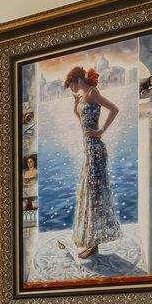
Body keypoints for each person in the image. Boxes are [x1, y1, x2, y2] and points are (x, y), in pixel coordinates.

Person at [57, 65, 120, 260]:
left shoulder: (92, 93)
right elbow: (82, 121)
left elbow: (114, 109)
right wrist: (74, 106)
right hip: (89, 151)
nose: (72, 90)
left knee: (95, 196)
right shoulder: (83, 97)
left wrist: (101, 131)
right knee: (90, 194)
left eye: (72, 87)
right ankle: (92, 241)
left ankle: (94, 244)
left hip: (96, 150)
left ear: (77, 81)